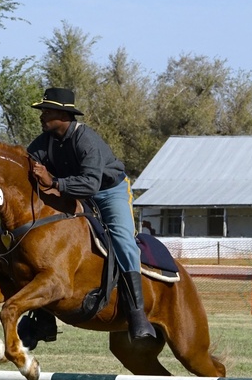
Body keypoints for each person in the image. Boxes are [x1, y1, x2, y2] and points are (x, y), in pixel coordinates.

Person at [18, 87, 157, 349]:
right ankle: (43, 319)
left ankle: (138, 314)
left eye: (46, 110)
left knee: (123, 240)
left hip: (108, 192)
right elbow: (27, 165)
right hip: (74, 192)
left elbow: (91, 184)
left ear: (62, 115)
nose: (42, 115)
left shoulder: (86, 139)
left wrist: (54, 181)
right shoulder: (43, 142)